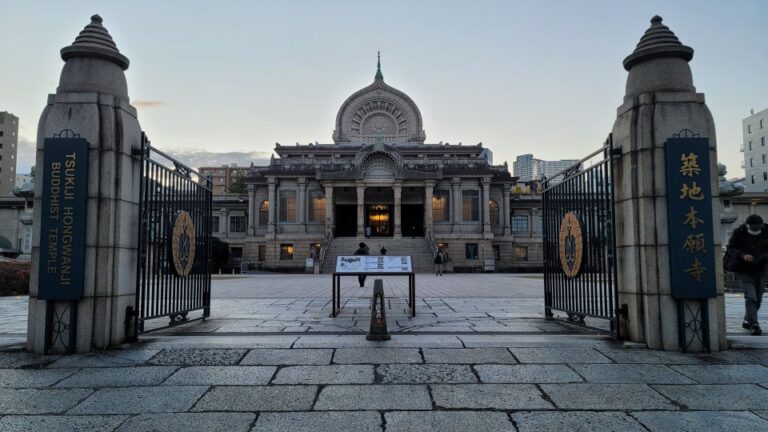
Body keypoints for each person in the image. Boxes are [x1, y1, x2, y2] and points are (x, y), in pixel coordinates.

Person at [725, 214, 768, 335]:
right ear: (747, 225)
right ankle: (754, 324)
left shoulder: (766, 232)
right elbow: (731, 248)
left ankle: (747, 320)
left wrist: (763, 257)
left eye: (757, 227)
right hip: (744, 269)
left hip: (761, 269)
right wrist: (743, 255)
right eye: (753, 228)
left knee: (758, 299)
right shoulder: (739, 232)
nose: (755, 230)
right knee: (751, 297)